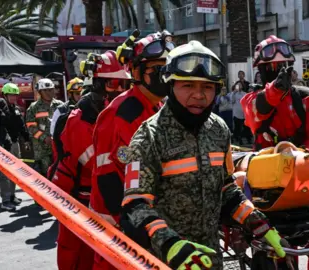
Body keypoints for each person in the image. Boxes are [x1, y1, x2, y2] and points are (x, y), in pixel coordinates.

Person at [119, 40, 287, 270]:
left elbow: (226, 189)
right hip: (164, 261)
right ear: (170, 86)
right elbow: (134, 206)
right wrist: (171, 245)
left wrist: (259, 224)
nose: (198, 95)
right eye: (188, 85)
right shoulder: (149, 136)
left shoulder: (219, 130)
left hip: (209, 260)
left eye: (207, 87)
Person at [90, 30, 173, 270]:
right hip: (120, 230)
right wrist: (131, 226)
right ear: (137, 72)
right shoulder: (121, 113)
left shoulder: (157, 107)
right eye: (158, 70)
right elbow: (108, 177)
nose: (166, 76)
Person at [51, 50, 132, 270]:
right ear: (96, 84)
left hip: (109, 202)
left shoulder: (118, 115)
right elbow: (101, 165)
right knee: (79, 258)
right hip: (79, 202)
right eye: (113, 83)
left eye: (125, 85)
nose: (119, 91)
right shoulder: (80, 120)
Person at [241, 35, 309, 152]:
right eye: (270, 67)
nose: (277, 71)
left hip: (300, 161)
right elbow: (256, 116)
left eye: (282, 65)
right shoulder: (251, 99)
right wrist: (275, 89)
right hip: (265, 162)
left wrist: (301, 153)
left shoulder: (305, 96)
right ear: (261, 70)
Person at [26, 78, 64, 179]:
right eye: (45, 90)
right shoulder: (34, 108)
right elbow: (31, 127)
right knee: (45, 177)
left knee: (59, 175)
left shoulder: (61, 105)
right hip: (42, 151)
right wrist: (44, 138)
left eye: (51, 89)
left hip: (59, 147)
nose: (49, 92)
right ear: (40, 92)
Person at [0, 83, 28, 211]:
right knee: (4, 173)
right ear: (5, 95)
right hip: (4, 144)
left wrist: (26, 139)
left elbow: (21, 125)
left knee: (15, 171)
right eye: (11, 95)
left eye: (15, 95)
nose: (13, 97)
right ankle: (5, 200)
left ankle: (12, 195)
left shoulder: (15, 109)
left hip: (15, 143)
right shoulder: (1, 108)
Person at [48, 77, 83, 179]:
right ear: (70, 94)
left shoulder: (89, 108)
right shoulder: (61, 110)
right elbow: (53, 133)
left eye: (82, 93)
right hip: (66, 153)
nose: (80, 96)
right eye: (77, 94)